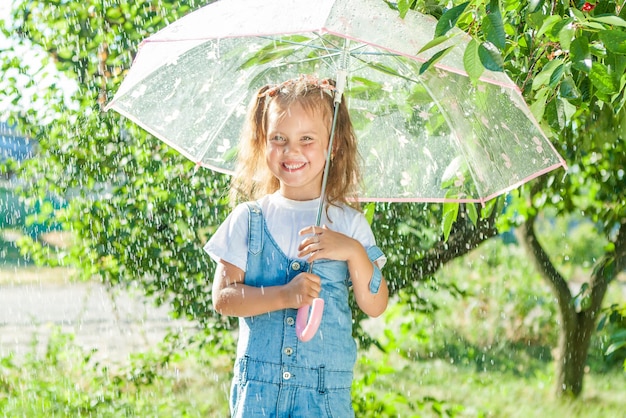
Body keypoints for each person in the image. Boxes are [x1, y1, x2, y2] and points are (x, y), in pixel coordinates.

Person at [204, 74, 389, 417]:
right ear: (263, 141)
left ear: (333, 143)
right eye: (279, 138)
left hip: (323, 395)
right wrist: (285, 296)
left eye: (307, 139)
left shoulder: (347, 224)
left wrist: (351, 250)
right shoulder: (249, 218)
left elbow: (376, 303)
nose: (292, 151)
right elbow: (223, 299)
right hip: (260, 392)